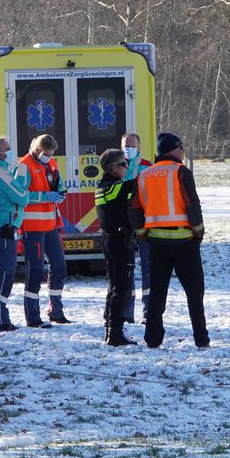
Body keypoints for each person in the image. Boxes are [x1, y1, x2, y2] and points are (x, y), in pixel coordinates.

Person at [130, 132, 209, 349]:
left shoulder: (144, 175)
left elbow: (135, 209)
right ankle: (201, 338)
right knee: (195, 293)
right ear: (173, 149)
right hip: (184, 241)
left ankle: (153, 339)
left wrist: (142, 234)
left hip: (156, 243)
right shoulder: (181, 172)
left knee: (157, 294)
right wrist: (198, 232)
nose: (183, 151)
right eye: (181, 147)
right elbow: (192, 204)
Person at [15, 134, 69, 327]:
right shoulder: (23, 166)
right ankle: (33, 317)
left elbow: (57, 183)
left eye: (51, 154)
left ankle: (56, 310)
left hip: (50, 225)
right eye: (47, 154)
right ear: (37, 150)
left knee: (59, 267)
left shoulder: (51, 163)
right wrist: (47, 196)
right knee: (36, 270)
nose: (49, 157)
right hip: (32, 227)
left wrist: (60, 192)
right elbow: (20, 195)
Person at [0, 137, 32, 331]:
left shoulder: (1, 171)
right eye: (8, 149)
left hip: (6, 226)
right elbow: (22, 196)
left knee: (6, 271)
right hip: (3, 227)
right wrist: (24, 192)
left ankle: (1, 317)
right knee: (4, 273)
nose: (11, 152)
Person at [96, 148, 139, 346]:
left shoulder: (107, 186)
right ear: (113, 168)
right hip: (118, 242)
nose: (127, 167)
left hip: (112, 240)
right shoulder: (109, 188)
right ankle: (114, 333)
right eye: (123, 164)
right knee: (121, 288)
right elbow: (133, 185)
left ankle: (111, 330)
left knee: (114, 286)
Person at [120, 133, 154, 324]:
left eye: (132, 146)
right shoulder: (117, 166)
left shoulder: (148, 167)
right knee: (126, 269)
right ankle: (127, 312)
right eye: (126, 145)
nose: (129, 149)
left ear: (139, 147)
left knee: (149, 268)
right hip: (124, 225)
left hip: (143, 223)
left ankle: (149, 310)